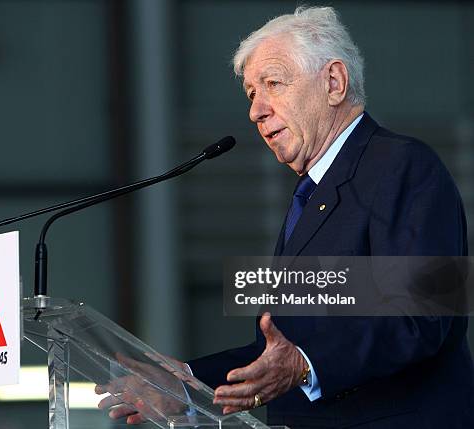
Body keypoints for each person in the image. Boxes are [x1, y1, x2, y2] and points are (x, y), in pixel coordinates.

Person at [101, 6, 474, 427]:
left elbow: (420, 318)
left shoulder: (403, 166)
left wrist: (301, 364)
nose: (255, 111)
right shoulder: (311, 194)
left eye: (273, 84)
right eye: (250, 94)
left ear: (334, 83)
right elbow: (281, 353)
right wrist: (186, 381)